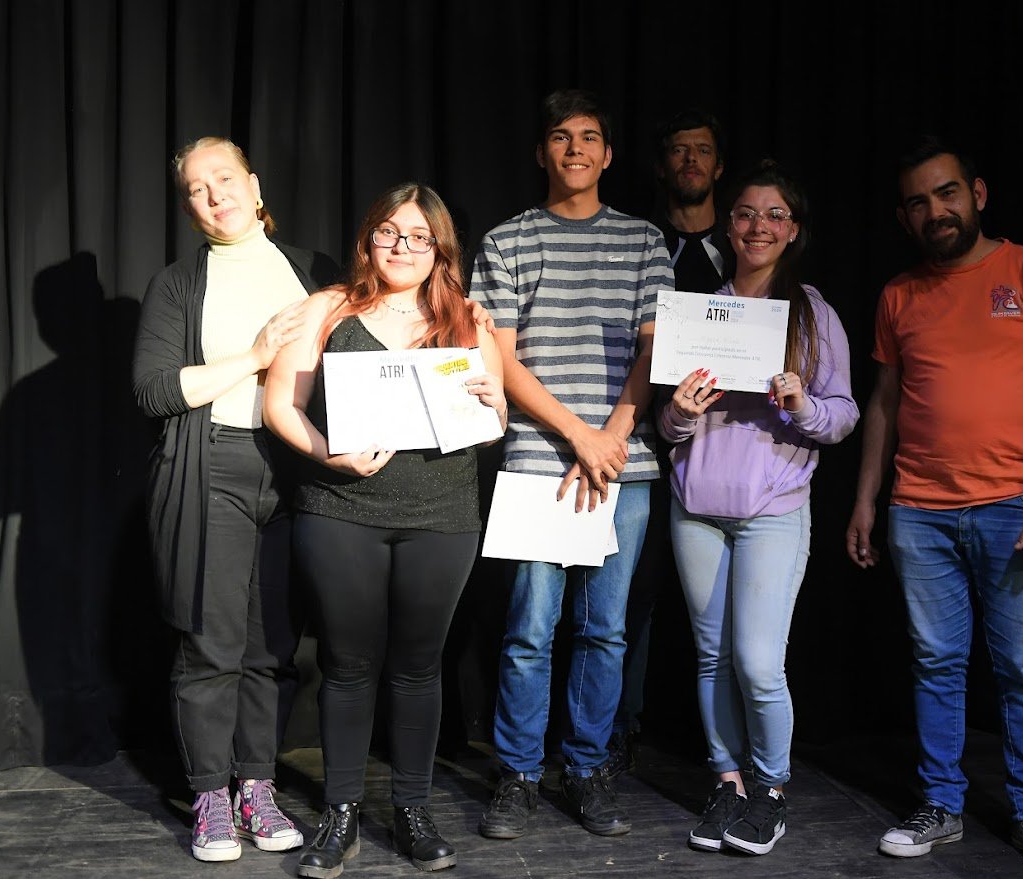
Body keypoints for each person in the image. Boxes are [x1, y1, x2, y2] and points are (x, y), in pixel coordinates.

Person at [845, 134, 1023, 877]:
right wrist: (865, 501)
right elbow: (883, 404)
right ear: (903, 215)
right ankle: (941, 804)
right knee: (935, 662)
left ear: (976, 195)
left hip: (1015, 507)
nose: (934, 210)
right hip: (918, 510)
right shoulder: (898, 294)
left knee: (1021, 665)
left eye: (945, 193)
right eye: (918, 201)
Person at [262, 183, 506, 877]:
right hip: (340, 509)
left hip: (441, 514)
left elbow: (490, 431)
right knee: (346, 663)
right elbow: (282, 403)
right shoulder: (330, 307)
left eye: (419, 237)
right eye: (389, 233)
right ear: (368, 238)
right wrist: (323, 451)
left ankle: (412, 808)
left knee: (419, 665)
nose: (402, 247)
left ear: (440, 249)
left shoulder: (466, 318)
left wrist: (493, 406)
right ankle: (338, 814)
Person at [469, 87, 674, 840]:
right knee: (529, 628)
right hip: (534, 460)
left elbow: (656, 351)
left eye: (590, 137)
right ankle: (519, 773)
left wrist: (614, 430)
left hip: (624, 463)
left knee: (606, 631)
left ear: (608, 154)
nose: (576, 148)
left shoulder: (645, 242)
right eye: (561, 137)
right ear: (542, 152)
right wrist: (576, 435)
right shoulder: (509, 240)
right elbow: (501, 357)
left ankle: (587, 768)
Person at [132, 136, 340, 862]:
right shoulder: (178, 285)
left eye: (224, 178)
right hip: (210, 468)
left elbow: (371, 356)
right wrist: (253, 356)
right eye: (196, 187)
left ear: (254, 186)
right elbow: (156, 391)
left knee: (273, 647)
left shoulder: (314, 271)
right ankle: (210, 795)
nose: (213, 192)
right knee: (210, 643)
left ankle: (257, 785)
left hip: (296, 473)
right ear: (190, 207)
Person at [660, 159, 859, 856]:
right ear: (729, 223)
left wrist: (801, 402)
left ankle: (771, 787)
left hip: (772, 506)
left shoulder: (811, 311)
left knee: (756, 659)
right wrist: (678, 413)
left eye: (774, 215)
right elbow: (669, 427)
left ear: (793, 229)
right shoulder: (702, 309)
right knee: (712, 655)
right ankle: (727, 782)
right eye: (746, 213)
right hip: (695, 506)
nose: (757, 225)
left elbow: (842, 416)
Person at [601, 107, 736, 779]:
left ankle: (724, 744)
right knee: (637, 596)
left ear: (718, 165)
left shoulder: (745, 248)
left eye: (701, 149)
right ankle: (624, 724)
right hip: (654, 445)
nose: (689, 161)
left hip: (737, 451)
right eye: (677, 150)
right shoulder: (638, 243)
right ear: (660, 166)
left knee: (724, 611)